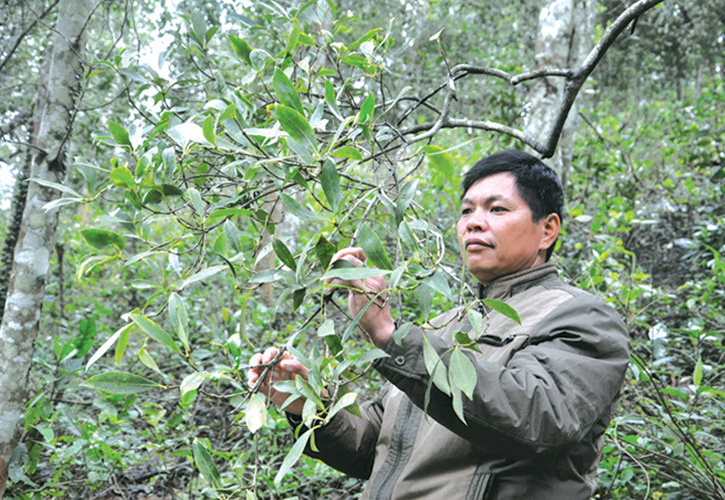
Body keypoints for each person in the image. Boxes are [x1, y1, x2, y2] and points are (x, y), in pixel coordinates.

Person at [248, 150, 630, 499]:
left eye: (497, 210)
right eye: (466, 211)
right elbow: (375, 449)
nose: (474, 224)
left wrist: (389, 336)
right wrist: (308, 407)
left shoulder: (583, 317)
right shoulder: (442, 326)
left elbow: (540, 418)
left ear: (548, 230)